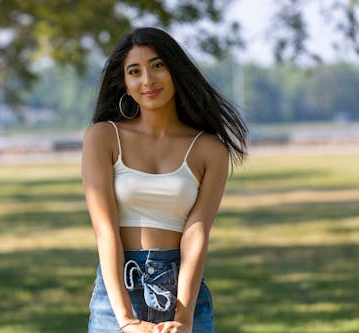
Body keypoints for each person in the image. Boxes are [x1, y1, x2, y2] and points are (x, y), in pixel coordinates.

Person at [82, 27, 248, 333]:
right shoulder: (103, 138)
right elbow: (105, 232)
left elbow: (196, 234)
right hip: (117, 293)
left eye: (158, 66)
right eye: (135, 71)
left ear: (176, 71)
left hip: (184, 295)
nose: (148, 80)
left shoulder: (210, 149)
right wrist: (125, 319)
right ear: (125, 83)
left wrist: (183, 319)